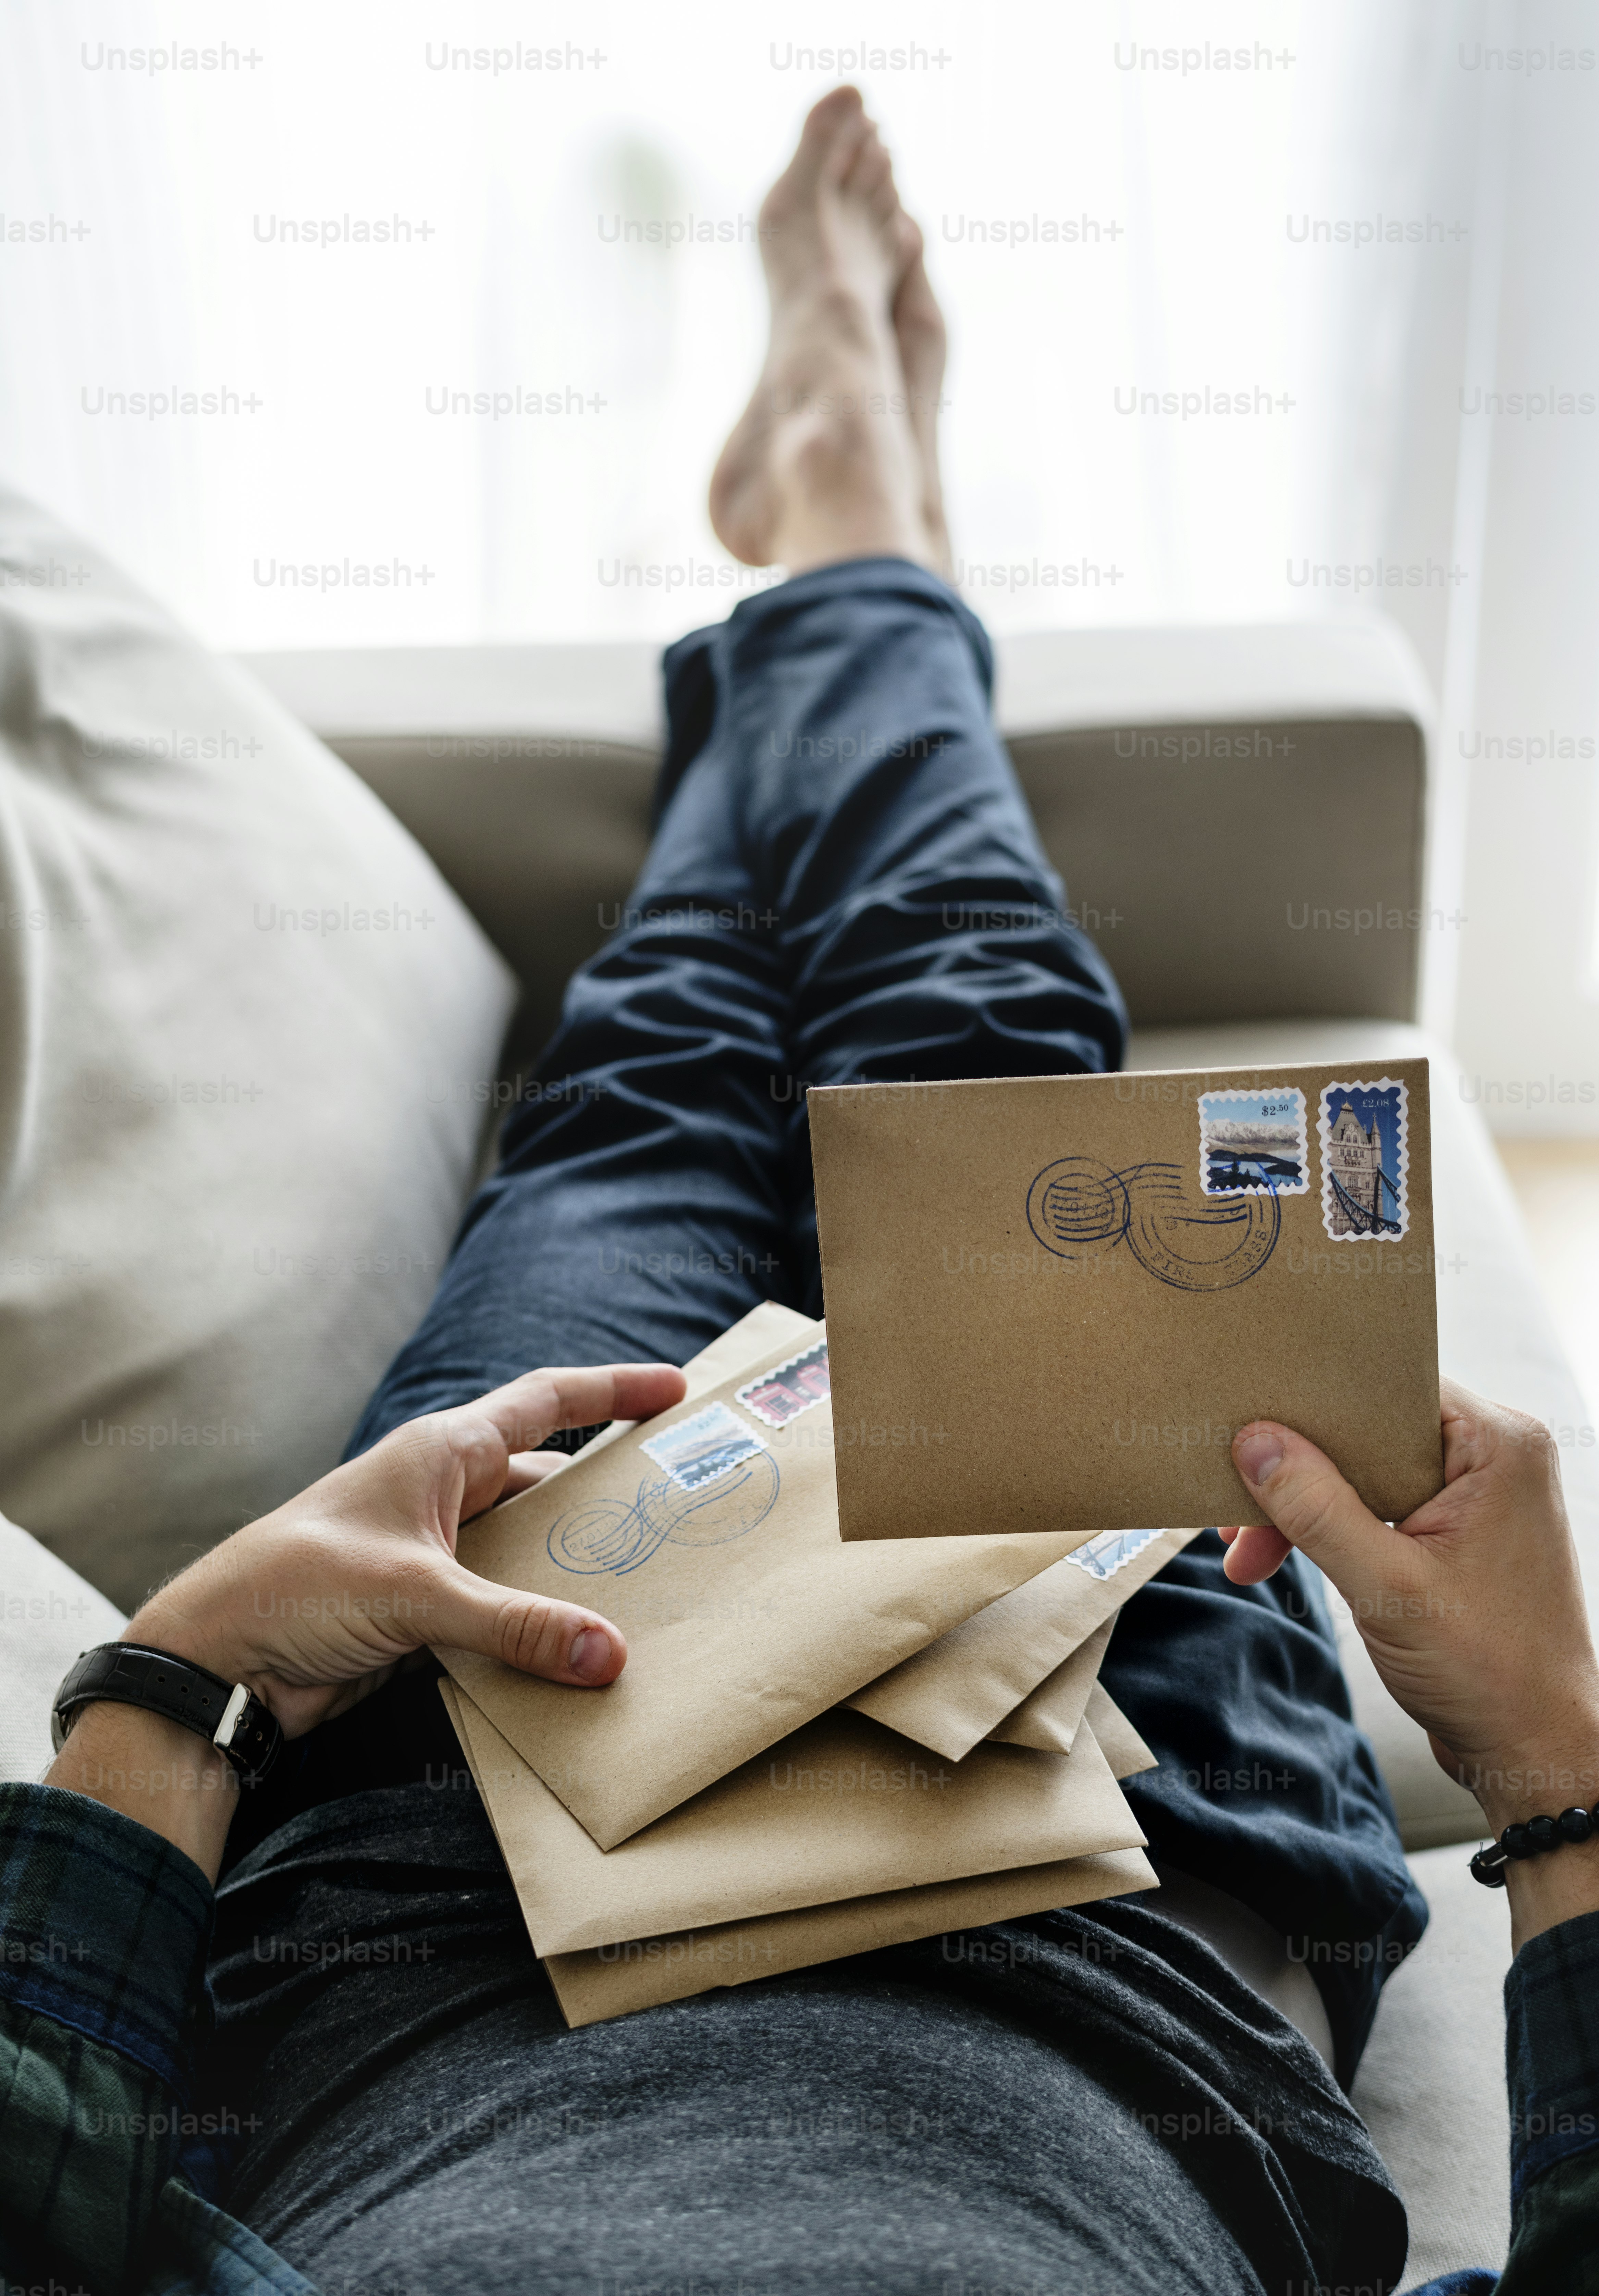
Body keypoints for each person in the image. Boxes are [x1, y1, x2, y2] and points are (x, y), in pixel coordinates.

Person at [0, 87, 1594, 2296]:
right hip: (1118, 1853)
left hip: (457, 1815)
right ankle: (852, 512)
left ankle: (843, 518)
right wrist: (1554, 1769)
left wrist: (168, 1677)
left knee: (650, 1082)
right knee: (972, 1021)